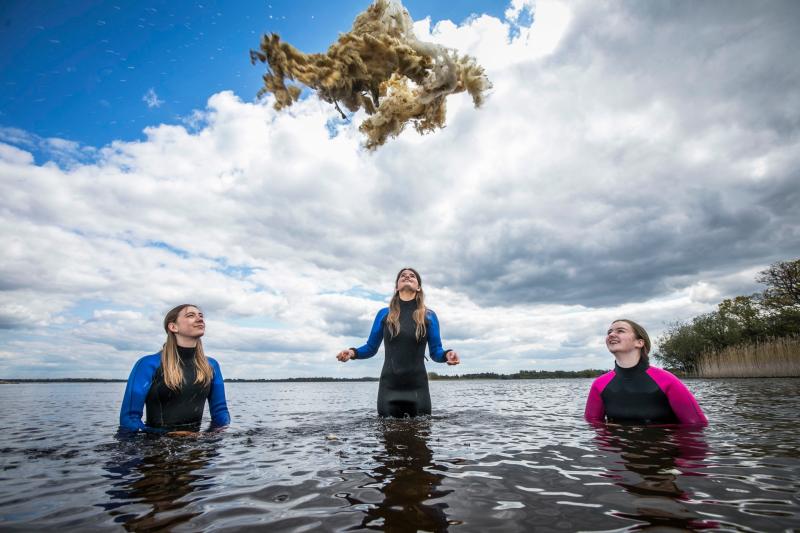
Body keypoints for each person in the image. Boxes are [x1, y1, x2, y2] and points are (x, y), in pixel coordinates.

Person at [337, 267, 460, 417]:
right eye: (403, 275)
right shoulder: (384, 314)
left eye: (412, 276)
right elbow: (370, 347)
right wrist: (351, 353)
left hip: (418, 388)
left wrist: (447, 355)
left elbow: (435, 351)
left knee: (421, 434)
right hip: (389, 388)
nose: (407, 276)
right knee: (386, 435)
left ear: (419, 287)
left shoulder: (429, 315)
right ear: (396, 287)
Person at [119, 304, 230, 433]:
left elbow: (220, 412)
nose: (200, 319)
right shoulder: (148, 364)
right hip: (156, 445)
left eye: (201, 316)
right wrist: (170, 435)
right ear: (173, 327)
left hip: (197, 445)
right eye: (190, 315)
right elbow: (129, 419)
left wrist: (212, 435)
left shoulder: (211, 366)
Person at [584, 319, 707, 425]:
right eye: (609, 332)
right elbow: (593, 426)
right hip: (620, 450)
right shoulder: (599, 384)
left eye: (620, 331)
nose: (611, 335)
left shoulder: (667, 380)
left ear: (639, 342)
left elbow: (696, 425)